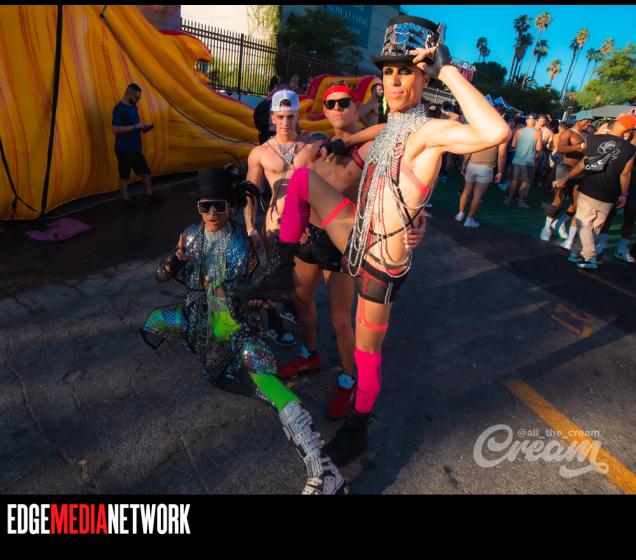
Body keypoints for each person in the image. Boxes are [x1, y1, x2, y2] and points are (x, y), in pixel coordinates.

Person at [231, 15, 509, 467]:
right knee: (301, 181)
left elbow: (495, 132)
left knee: (366, 354)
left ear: (423, 78)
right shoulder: (393, 126)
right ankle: (279, 271)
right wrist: (345, 144)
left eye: (406, 72)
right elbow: (377, 133)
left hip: (382, 261)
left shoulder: (427, 131)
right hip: (356, 234)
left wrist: (447, 69)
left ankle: (358, 426)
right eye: (389, 71)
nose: (394, 80)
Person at [140, 166, 347, 495]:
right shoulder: (190, 236)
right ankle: (207, 347)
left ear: (231, 206)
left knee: (266, 384)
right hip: (198, 319)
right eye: (205, 206)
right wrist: (176, 261)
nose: (211, 213)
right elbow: (160, 276)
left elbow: (245, 296)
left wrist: (251, 298)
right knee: (154, 323)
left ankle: (323, 468)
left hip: (237, 329)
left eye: (218, 206)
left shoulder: (239, 245)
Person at [278, 82, 425, 421]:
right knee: (301, 300)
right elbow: (297, 184)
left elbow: (404, 165)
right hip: (309, 237)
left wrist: (419, 223)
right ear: (324, 110)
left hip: (343, 242)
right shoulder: (316, 146)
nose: (337, 109)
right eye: (331, 104)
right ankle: (310, 354)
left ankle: (347, 379)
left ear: (358, 106)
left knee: (341, 318)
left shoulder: (372, 148)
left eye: (345, 103)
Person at [244, 89, 319, 346]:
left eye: (290, 116)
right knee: (274, 274)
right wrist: (250, 228)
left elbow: (325, 187)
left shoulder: (311, 147)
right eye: (281, 116)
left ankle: (290, 306)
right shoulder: (260, 153)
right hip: (274, 224)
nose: (286, 122)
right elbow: (250, 193)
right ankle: (275, 323)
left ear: (298, 116)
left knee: (300, 277)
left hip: (306, 224)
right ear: (273, 117)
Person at [554, 114, 636, 269]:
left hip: (590, 188)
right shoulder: (631, 149)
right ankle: (577, 252)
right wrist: (624, 194)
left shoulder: (593, 139)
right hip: (611, 193)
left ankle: (590, 257)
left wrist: (566, 178)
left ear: (616, 123)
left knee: (584, 223)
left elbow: (583, 164)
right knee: (595, 227)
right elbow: (626, 174)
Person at [553, 110, 594, 250]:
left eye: (590, 121)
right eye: (587, 120)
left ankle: (560, 223)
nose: (589, 123)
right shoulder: (568, 132)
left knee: (577, 203)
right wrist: (580, 146)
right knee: (558, 199)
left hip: (580, 171)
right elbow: (560, 148)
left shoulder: (588, 134)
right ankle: (546, 227)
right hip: (565, 167)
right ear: (580, 120)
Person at [111, 83, 156, 208]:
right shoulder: (119, 108)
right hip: (123, 148)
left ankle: (148, 197)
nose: (138, 100)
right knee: (124, 176)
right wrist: (135, 127)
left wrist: (143, 127)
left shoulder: (133, 106)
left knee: (146, 172)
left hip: (135, 147)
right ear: (129, 94)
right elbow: (115, 129)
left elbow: (134, 124)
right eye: (137, 97)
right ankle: (125, 201)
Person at [457, 130, 509, 227]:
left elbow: (469, 150)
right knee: (477, 195)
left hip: (472, 164)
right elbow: (501, 155)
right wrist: (500, 172)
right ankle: (469, 219)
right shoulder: (500, 135)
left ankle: (460, 214)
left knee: (466, 191)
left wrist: (464, 164)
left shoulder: (478, 132)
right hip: (486, 168)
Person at [504, 114, 542, 208]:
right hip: (528, 160)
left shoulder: (519, 131)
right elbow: (538, 148)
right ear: (535, 121)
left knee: (514, 180)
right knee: (524, 182)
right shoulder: (537, 132)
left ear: (526, 120)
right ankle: (520, 201)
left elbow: (513, 145)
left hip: (517, 159)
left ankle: (509, 199)